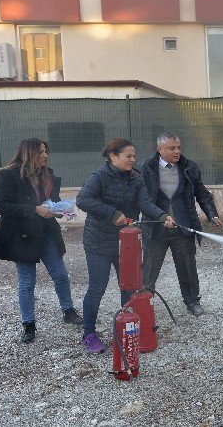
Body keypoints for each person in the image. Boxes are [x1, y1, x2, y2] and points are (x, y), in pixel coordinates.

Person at [76, 138, 176, 354]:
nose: (133, 160)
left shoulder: (135, 179)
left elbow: (145, 203)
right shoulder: (99, 177)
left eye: (134, 156)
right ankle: (88, 333)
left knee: (129, 287)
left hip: (127, 243)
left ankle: (127, 327)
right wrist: (113, 214)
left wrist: (162, 216)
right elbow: (82, 200)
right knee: (97, 288)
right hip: (99, 242)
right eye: (128, 156)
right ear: (113, 156)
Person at [0, 138, 83, 343]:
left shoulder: (47, 175)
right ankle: (29, 325)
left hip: (47, 232)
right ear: (28, 153)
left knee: (60, 274)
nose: (45, 155)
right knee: (27, 282)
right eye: (40, 152)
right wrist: (34, 210)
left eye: (46, 151)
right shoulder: (8, 175)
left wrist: (60, 210)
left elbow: (51, 202)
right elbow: (1, 206)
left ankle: (68, 311)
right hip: (22, 236)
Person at [137, 133, 223, 316]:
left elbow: (201, 193)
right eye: (172, 148)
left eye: (178, 147)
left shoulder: (189, 167)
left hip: (183, 227)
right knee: (149, 267)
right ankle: (144, 301)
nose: (177, 151)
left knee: (187, 267)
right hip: (155, 228)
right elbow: (138, 197)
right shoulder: (145, 168)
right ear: (159, 149)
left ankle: (192, 301)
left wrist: (212, 215)